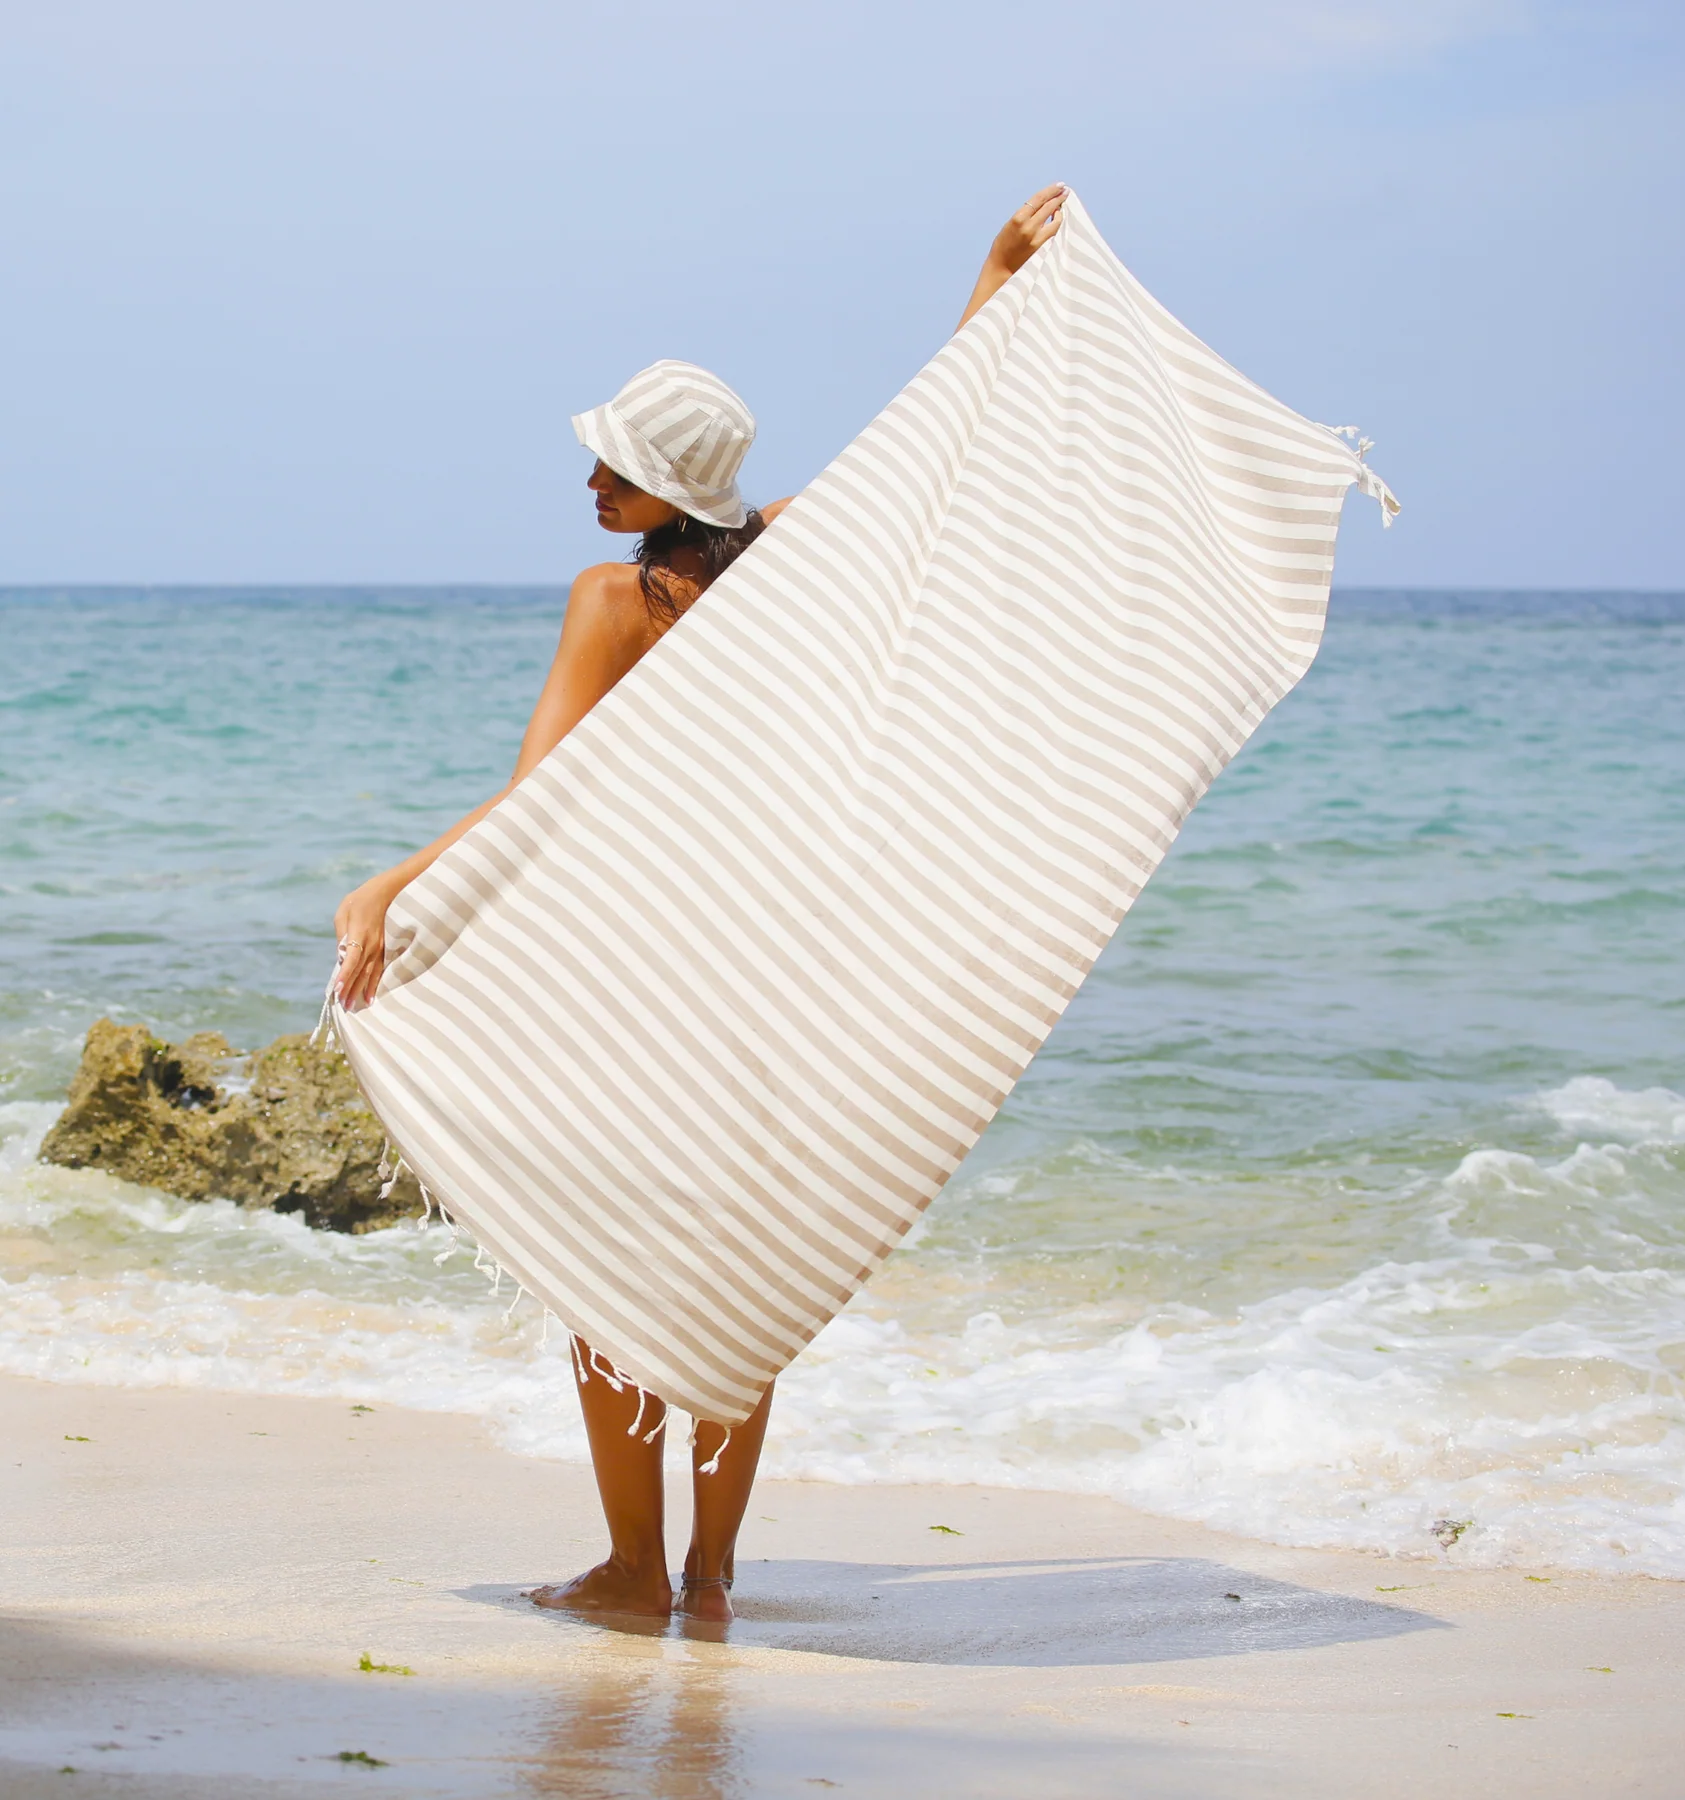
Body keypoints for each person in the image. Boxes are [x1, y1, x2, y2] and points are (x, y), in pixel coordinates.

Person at [330, 185, 1067, 1624]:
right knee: (739, 1279)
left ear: (672, 485)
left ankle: (630, 1571)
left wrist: (394, 880)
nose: (592, 485)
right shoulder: (792, 557)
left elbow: (537, 798)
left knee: (613, 1279)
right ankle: (714, 1576)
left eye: (616, 465)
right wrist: (992, 280)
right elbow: (932, 451)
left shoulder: (614, 600)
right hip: (778, 970)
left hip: (639, 977)